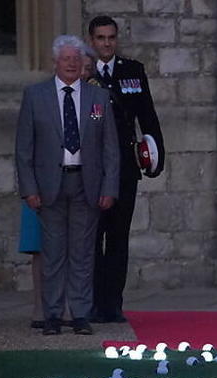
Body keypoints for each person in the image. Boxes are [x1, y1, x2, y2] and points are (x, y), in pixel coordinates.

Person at [15, 34, 119, 335]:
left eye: (76, 59)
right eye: (66, 59)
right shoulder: (35, 96)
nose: (71, 64)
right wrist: (29, 189)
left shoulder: (98, 98)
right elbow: (24, 149)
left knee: (83, 254)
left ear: (82, 63)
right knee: (53, 253)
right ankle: (52, 315)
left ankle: (80, 315)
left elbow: (110, 148)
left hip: (87, 184)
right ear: (55, 63)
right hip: (49, 185)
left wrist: (109, 188)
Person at [87, 15, 166, 323]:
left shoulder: (132, 71)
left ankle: (113, 305)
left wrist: (156, 158)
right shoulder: (84, 72)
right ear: (92, 40)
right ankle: (93, 304)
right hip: (93, 169)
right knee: (93, 239)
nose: (106, 43)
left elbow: (147, 116)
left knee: (118, 238)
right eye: (100, 38)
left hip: (124, 167)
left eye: (111, 38)